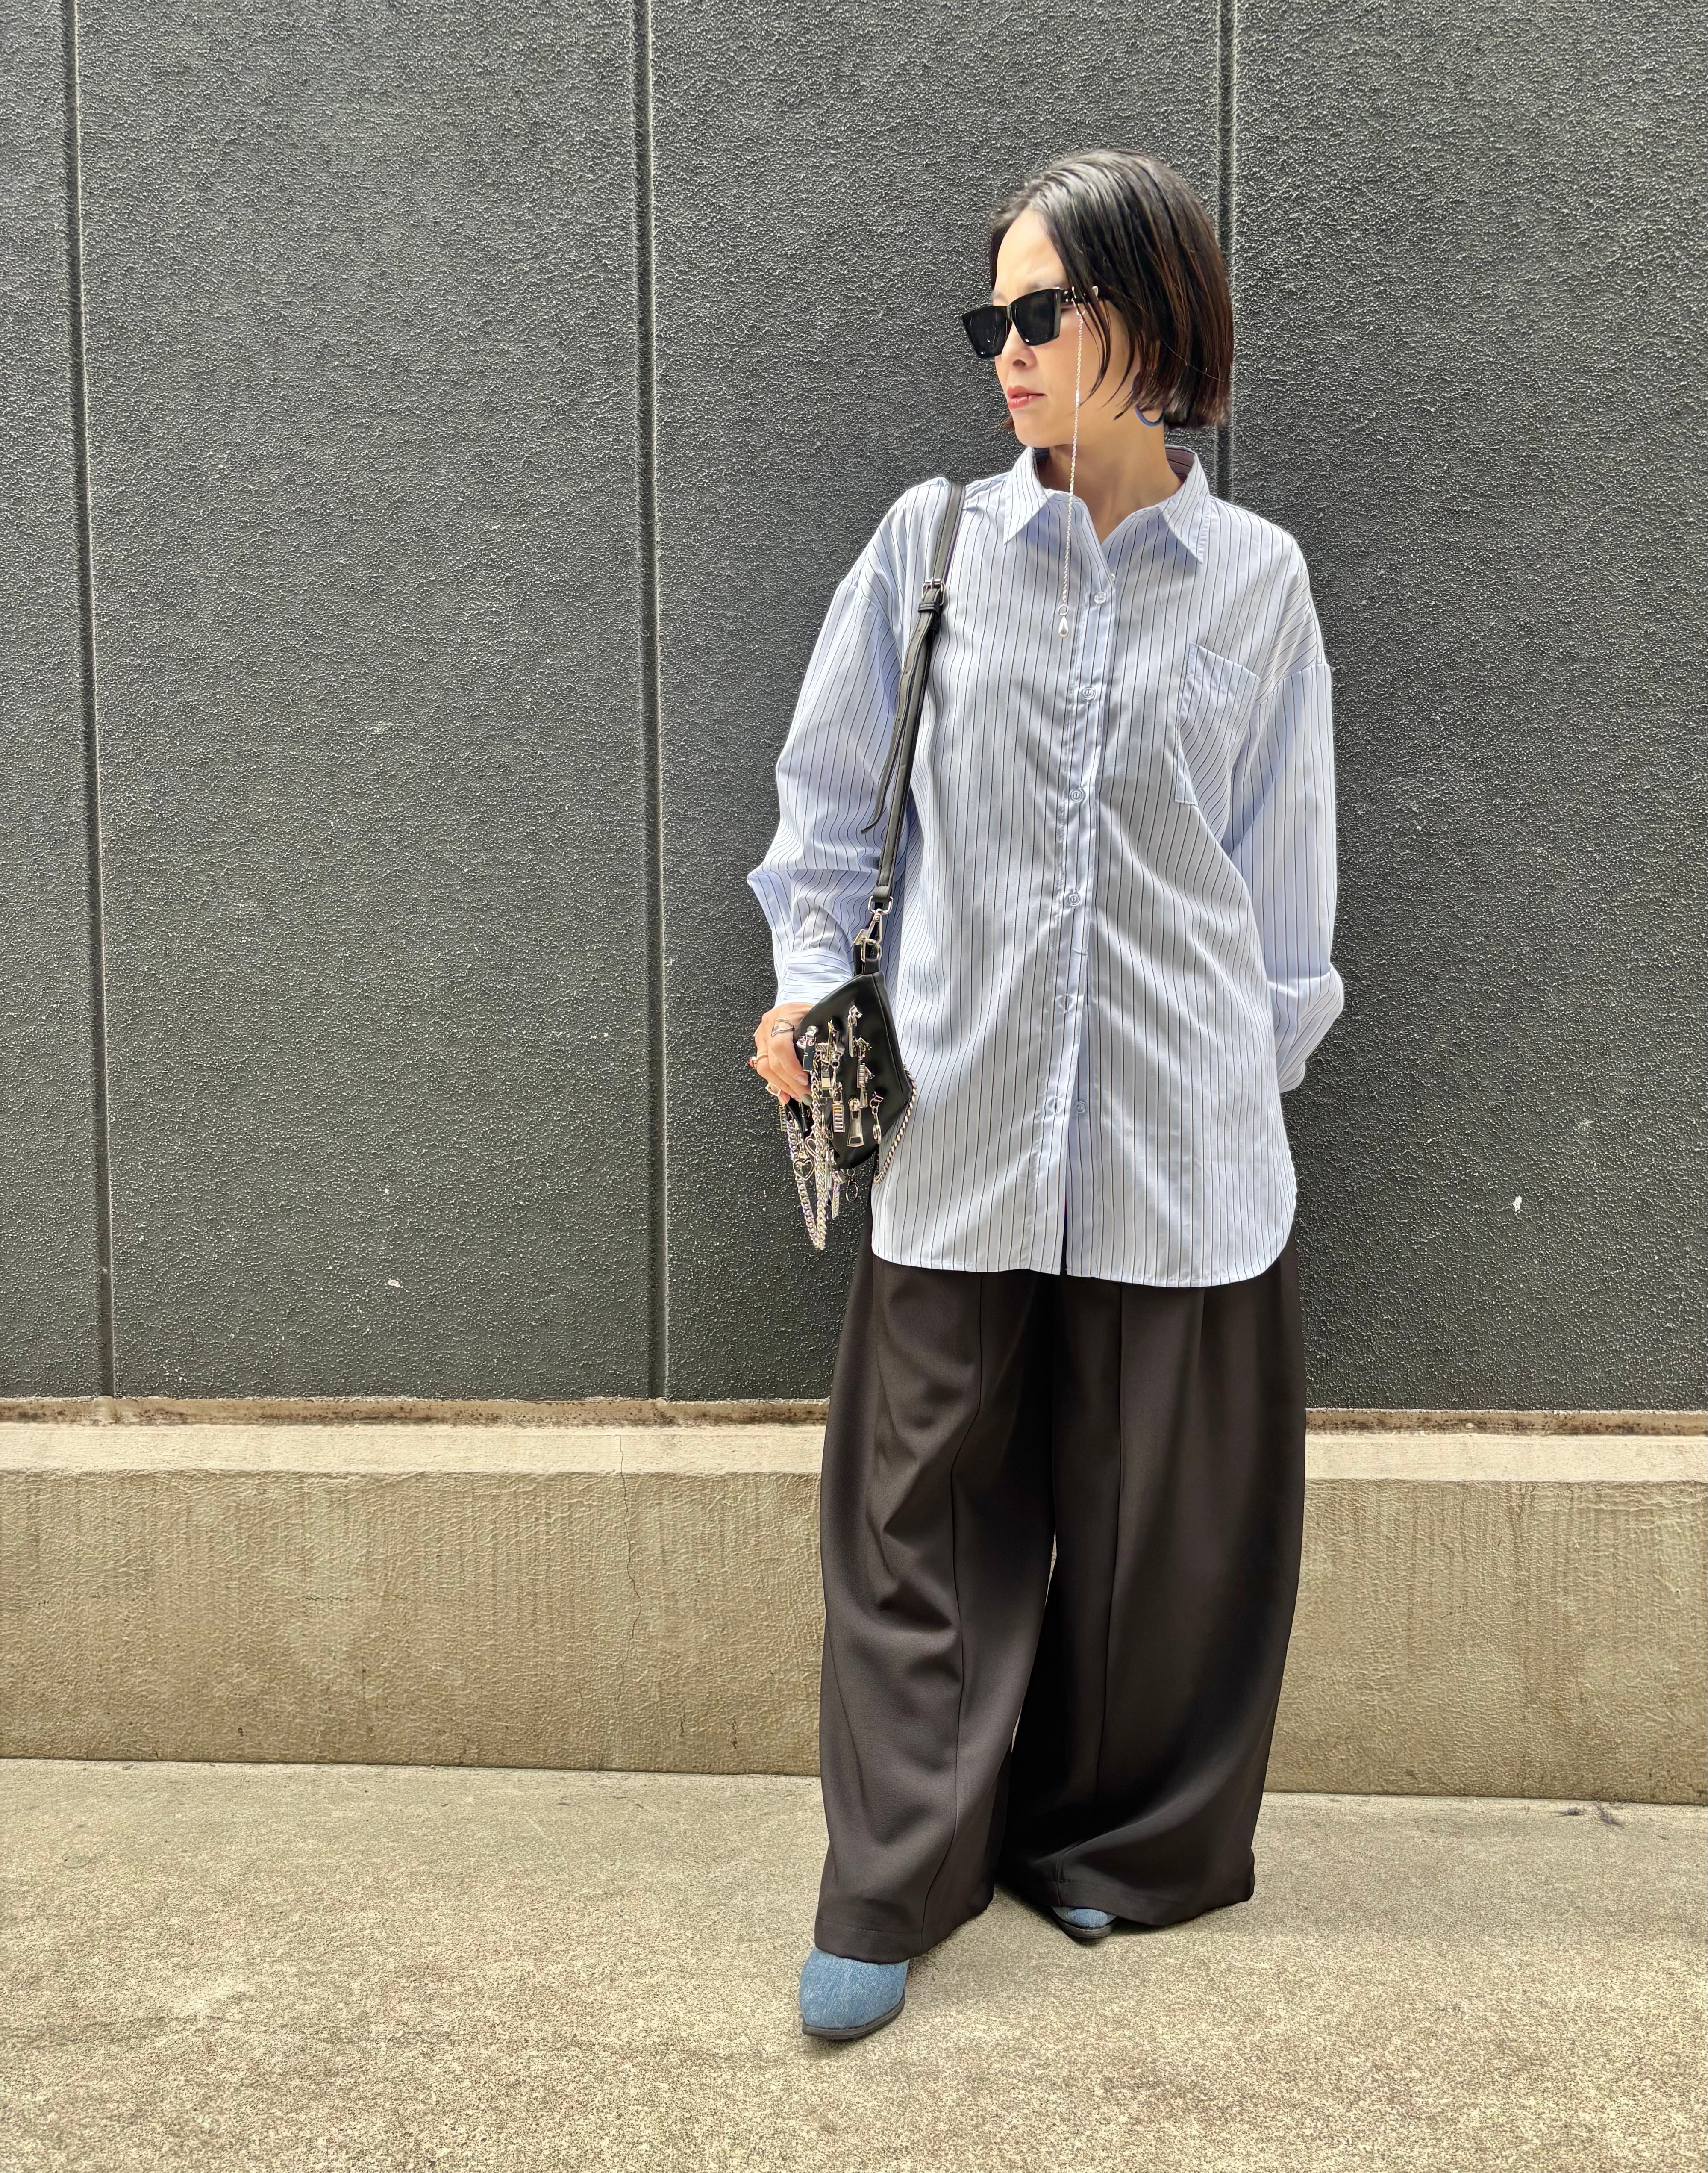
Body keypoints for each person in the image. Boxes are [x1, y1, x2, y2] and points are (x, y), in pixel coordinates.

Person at [745, 147, 1345, 2043]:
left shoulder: (1256, 585)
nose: (1004, 349)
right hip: (961, 1128)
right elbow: (828, 813)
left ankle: (1115, 1843)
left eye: (1038, 311)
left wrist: (1238, 1097)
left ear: (1150, 322)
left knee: (1164, 1543)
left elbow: (1284, 891)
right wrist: (806, 988)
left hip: (1181, 1139)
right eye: (988, 317)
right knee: (914, 1519)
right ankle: (894, 1872)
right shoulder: (930, 549)